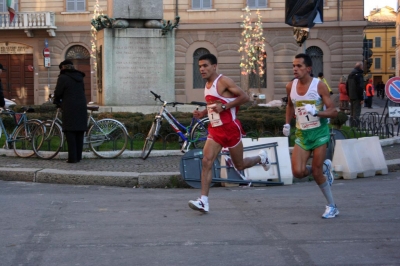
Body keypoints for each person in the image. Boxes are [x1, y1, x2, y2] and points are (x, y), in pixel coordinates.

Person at [188, 53, 271, 213]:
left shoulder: (224, 81)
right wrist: (203, 113)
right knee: (206, 161)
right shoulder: (206, 86)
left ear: (214, 66)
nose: (202, 69)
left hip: (231, 129)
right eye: (200, 66)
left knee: (239, 165)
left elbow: (245, 97)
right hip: (215, 130)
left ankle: (261, 158)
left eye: (205, 66)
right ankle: (203, 201)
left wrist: (225, 107)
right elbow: (214, 106)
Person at [283, 53, 338, 219]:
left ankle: (332, 206)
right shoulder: (290, 86)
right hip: (302, 133)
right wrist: (287, 123)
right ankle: (325, 169)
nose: (295, 69)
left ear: (308, 68)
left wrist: (318, 112)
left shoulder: (319, 86)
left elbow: (333, 111)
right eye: (293, 66)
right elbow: (290, 106)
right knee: (298, 172)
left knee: (315, 171)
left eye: (299, 66)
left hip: (319, 133)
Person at [54, 60, 87, 163]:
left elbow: (58, 92)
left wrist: (57, 102)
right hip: (81, 106)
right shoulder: (80, 77)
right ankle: (78, 156)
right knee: (79, 132)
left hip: (69, 107)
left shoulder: (63, 78)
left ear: (63, 68)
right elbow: (82, 90)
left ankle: (72, 158)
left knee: (70, 132)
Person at [346, 62, 364, 127]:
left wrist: (349, 95)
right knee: (356, 112)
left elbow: (347, 86)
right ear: (360, 67)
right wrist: (361, 98)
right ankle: (355, 127)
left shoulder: (350, 74)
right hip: (357, 97)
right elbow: (360, 87)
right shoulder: (359, 75)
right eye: (362, 66)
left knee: (352, 112)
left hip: (351, 96)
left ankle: (351, 126)